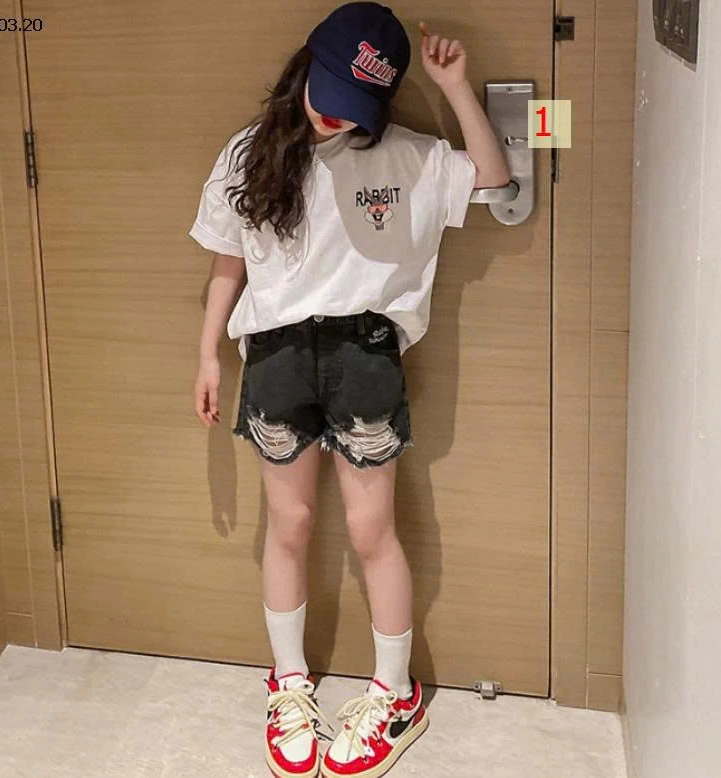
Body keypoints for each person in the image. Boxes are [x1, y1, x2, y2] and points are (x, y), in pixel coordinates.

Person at [189, 3, 509, 776]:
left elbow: (494, 180)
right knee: (290, 523)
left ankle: (396, 694)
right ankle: (289, 682)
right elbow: (228, 261)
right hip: (273, 356)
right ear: (308, 65)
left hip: (365, 355)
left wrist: (455, 87)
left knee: (372, 531)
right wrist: (207, 354)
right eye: (328, 94)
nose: (336, 117)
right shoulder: (249, 152)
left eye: (354, 105)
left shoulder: (404, 155)